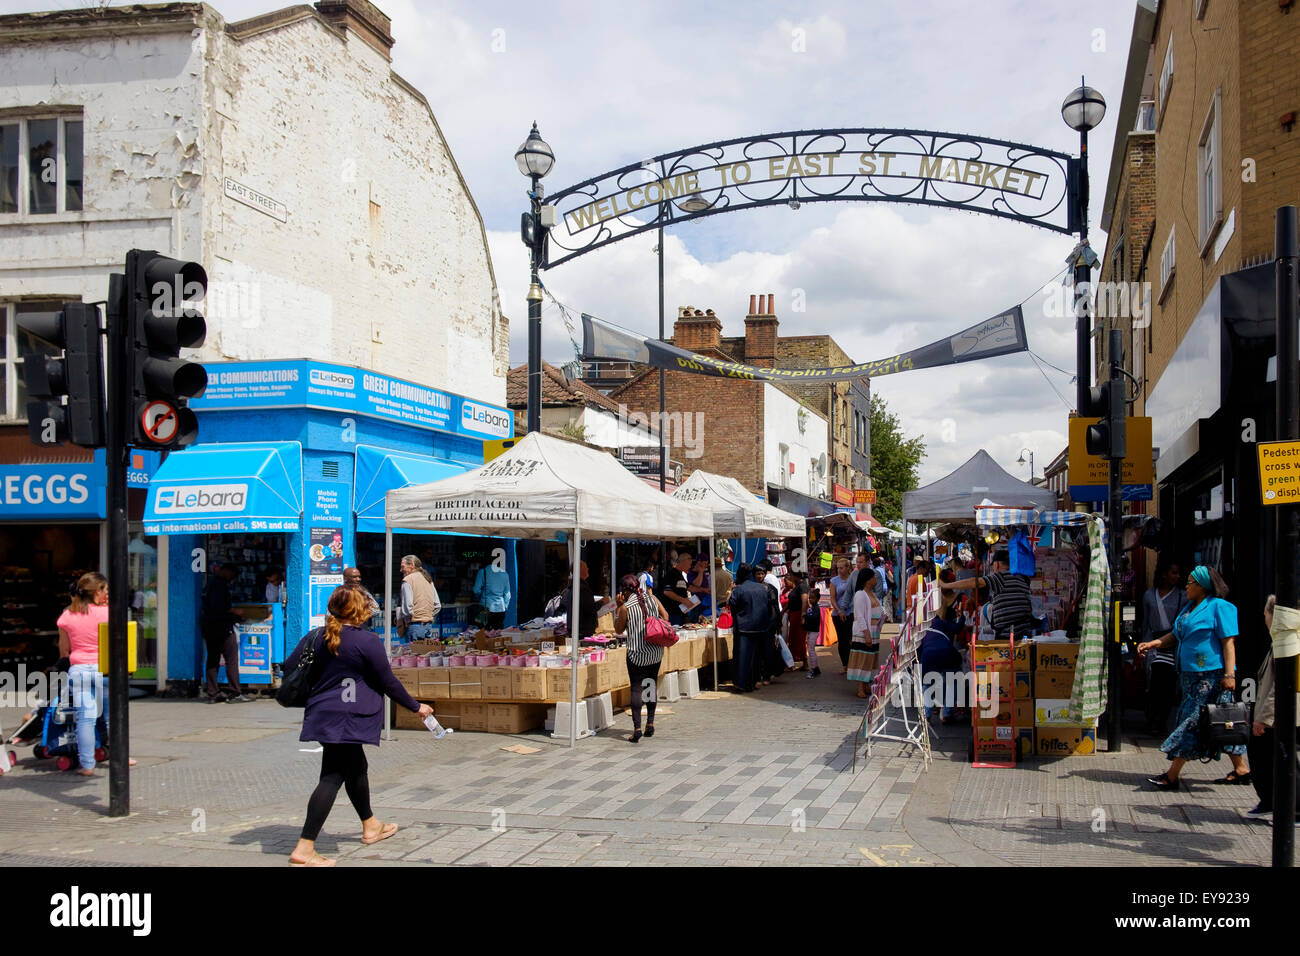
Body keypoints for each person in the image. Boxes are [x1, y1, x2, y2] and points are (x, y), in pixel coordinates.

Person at [285, 586, 432, 866]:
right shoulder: (367, 642)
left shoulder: (317, 636)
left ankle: (370, 824)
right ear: (358, 611)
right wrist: (416, 706)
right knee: (332, 776)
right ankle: (305, 847)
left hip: (324, 713)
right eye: (366, 606)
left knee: (355, 769)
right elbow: (388, 681)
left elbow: (290, 665)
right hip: (351, 716)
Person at [1136, 565, 1250, 791]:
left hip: (1211, 677)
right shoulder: (1188, 608)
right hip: (1190, 677)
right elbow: (1175, 636)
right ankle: (1241, 769)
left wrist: (1229, 675)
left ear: (1203, 586)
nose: (1186, 586)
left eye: (1190, 582)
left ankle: (1172, 775)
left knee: (1192, 722)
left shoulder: (1219, 607)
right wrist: (1154, 643)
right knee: (1220, 722)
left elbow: (1228, 643)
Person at [1247, 595, 1299, 819]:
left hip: (1280, 716)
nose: (1264, 618)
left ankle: (1293, 810)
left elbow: (1279, 687)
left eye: (1267, 613)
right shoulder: (1281, 642)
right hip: (1278, 715)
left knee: (1285, 761)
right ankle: (1271, 802)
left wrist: (1263, 718)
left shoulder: (1287, 643)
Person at [57, 573, 109, 776]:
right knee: (112, 718)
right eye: (105, 589)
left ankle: (87, 765)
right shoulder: (107, 613)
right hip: (103, 669)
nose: (107, 593)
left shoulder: (67, 616)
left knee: (85, 720)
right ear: (97, 591)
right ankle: (122, 756)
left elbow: (64, 650)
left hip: (79, 670)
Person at [614, 574, 669, 743]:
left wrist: (618, 607)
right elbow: (665, 617)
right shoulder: (652, 598)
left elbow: (618, 629)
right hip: (655, 652)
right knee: (650, 684)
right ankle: (650, 724)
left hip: (637, 654)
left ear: (623, 591)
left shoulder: (625, 608)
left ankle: (637, 728)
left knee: (636, 689)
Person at [939, 549, 1039, 639]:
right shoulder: (1022, 578)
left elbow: (975, 582)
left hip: (1009, 636)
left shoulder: (1001, 577)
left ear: (997, 565)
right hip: (1024, 632)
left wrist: (946, 585)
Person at [1141, 560, 1185, 735]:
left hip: (1172, 643)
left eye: (1178, 573)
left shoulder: (1182, 596)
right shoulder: (1149, 596)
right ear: (1164, 574)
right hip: (1153, 642)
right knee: (1154, 684)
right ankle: (1153, 719)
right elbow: (1145, 623)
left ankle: (1161, 720)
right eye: (1173, 572)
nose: (1177, 576)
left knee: (1167, 685)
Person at [919, 570, 967, 723]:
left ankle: (926, 714)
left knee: (927, 684)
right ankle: (945, 713)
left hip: (928, 655)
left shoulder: (924, 626)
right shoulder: (942, 622)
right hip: (947, 653)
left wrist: (919, 661)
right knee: (952, 680)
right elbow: (957, 629)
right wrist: (962, 618)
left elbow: (919, 648)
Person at [202, 563, 250, 703]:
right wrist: (236, 612)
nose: (232, 579)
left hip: (208, 626)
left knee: (212, 660)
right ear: (226, 571)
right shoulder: (220, 585)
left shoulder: (209, 584)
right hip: (222, 627)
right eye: (232, 575)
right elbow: (219, 607)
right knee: (231, 659)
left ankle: (213, 693)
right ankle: (234, 693)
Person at [727, 563, 770, 693]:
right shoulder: (762, 588)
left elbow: (731, 604)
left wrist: (730, 591)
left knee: (742, 656)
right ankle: (753, 681)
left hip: (744, 627)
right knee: (755, 656)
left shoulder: (739, 590)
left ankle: (741, 683)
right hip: (760, 627)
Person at [847, 569, 878, 698]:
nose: (876, 580)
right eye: (873, 577)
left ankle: (866, 685)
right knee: (862, 659)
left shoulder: (871, 593)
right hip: (864, 632)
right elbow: (859, 615)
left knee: (870, 659)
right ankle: (860, 687)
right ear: (868, 580)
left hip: (874, 631)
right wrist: (866, 634)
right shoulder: (860, 594)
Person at [397, 555, 440, 641]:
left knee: (412, 654)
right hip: (428, 626)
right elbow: (437, 605)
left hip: (414, 626)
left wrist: (408, 621)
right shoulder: (428, 579)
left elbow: (407, 608)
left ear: (412, 565)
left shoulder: (408, 580)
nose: (400, 570)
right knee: (425, 653)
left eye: (402, 567)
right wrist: (426, 616)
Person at [560, 560, 602, 636]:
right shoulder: (581, 588)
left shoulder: (572, 587)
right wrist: (602, 602)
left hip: (577, 629)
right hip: (582, 630)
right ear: (580, 570)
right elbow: (589, 608)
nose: (588, 569)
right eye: (586, 567)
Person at [830, 559, 855, 673]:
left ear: (847, 568)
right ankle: (845, 664)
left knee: (851, 639)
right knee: (842, 640)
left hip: (851, 613)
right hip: (838, 614)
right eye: (838, 568)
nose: (839, 570)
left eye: (841, 568)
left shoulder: (853, 579)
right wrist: (839, 611)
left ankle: (853, 663)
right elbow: (833, 598)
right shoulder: (834, 581)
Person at [660, 552, 699, 625]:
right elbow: (667, 592)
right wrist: (683, 600)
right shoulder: (671, 574)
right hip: (672, 613)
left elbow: (689, 587)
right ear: (683, 562)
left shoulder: (680, 575)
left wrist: (704, 590)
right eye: (689, 564)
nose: (690, 567)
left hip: (680, 612)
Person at [783, 571, 811, 672]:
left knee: (799, 639)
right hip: (794, 614)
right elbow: (791, 602)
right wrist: (783, 611)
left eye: (791, 575)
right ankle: (800, 663)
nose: (790, 577)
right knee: (795, 638)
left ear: (795, 576)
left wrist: (803, 615)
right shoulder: (798, 586)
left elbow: (804, 601)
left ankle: (801, 663)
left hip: (799, 614)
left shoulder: (802, 586)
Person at [473, 561, 512, 630]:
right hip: (500, 609)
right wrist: (505, 606)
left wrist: (479, 597)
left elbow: (476, 590)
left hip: (485, 608)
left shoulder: (483, 572)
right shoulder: (505, 573)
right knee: (498, 634)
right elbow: (507, 594)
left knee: (483, 633)